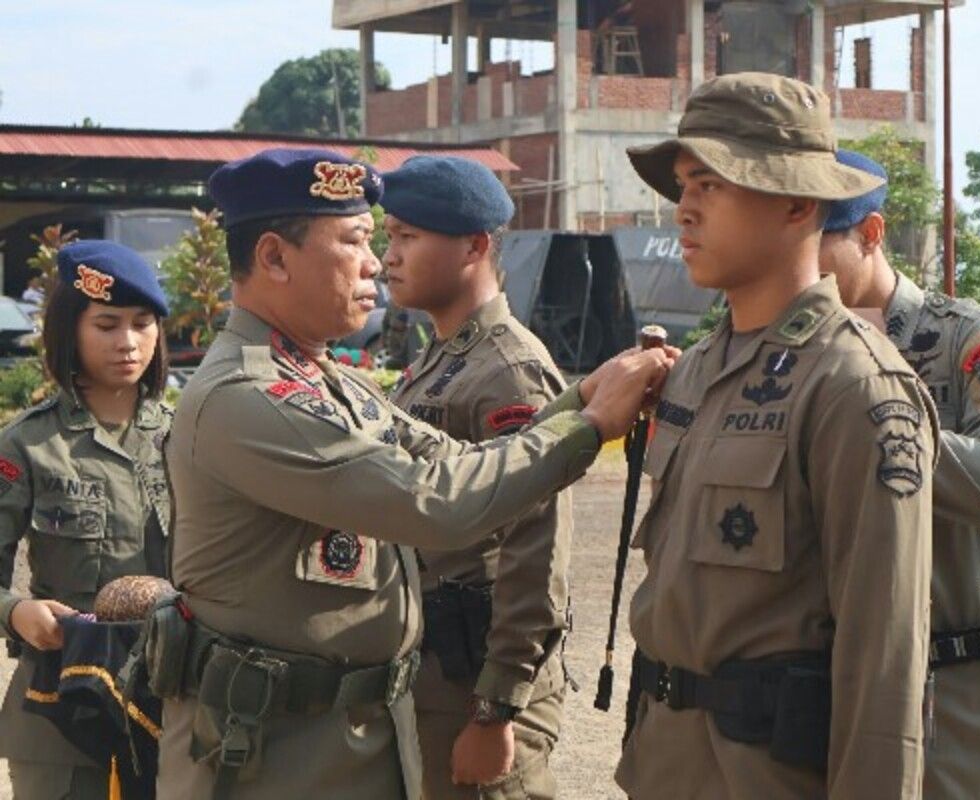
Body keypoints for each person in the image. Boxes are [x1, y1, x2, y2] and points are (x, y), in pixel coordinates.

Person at [157, 148, 675, 800]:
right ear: (274, 258)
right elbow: (433, 502)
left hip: (340, 737)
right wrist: (590, 427)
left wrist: (584, 399)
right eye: (355, 241)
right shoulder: (248, 396)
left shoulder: (329, 381)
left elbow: (454, 461)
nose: (376, 260)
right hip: (272, 757)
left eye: (387, 239)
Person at [566, 71, 937, 798]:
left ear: (799, 202)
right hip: (669, 766)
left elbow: (885, 659)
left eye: (712, 185)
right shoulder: (702, 365)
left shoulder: (854, 385)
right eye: (683, 186)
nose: (684, 210)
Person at [818, 149, 980, 800]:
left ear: (870, 234)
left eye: (817, 237)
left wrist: (876, 418)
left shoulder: (970, 340)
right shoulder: (797, 361)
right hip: (847, 693)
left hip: (971, 702)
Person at [382, 155, 572, 798]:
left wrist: (497, 705)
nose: (389, 256)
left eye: (408, 236)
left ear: (475, 245)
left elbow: (536, 547)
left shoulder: (507, 370)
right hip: (438, 672)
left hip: (479, 682)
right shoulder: (439, 357)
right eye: (389, 236)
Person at [0, 240, 173, 799]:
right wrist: (16, 611)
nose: (127, 341)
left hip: (177, 705)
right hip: (62, 709)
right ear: (70, 330)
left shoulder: (191, 438)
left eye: (141, 322)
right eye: (106, 324)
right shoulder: (29, 444)